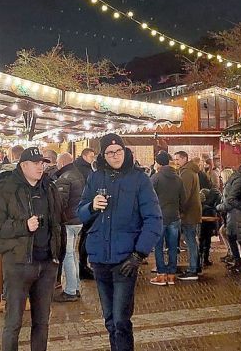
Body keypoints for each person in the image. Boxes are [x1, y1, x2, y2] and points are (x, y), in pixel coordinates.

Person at [77, 134, 162, 351]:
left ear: (125, 152)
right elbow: (81, 213)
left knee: (121, 321)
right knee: (109, 319)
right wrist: (91, 206)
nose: (115, 156)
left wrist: (138, 254)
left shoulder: (139, 179)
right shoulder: (95, 178)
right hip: (99, 258)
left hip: (125, 258)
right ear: (103, 156)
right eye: (110, 152)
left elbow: (154, 219)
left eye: (119, 151)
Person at [0, 148, 62, 351]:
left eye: (42, 163)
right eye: (36, 163)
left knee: (42, 322)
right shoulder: (6, 189)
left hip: (46, 264)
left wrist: (57, 255)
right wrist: (23, 226)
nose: (41, 166)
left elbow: (57, 223)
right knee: (13, 322)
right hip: (19, 264)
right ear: (23, 166)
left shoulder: (49, 188)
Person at [149, 150, 186, 286]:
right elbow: (183, 199)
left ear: (158, 163)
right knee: (172, 247)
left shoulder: (155, 178)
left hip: (159, 218)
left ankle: (161, 275)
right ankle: (171, 275)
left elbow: (149, 198)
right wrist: (179, 212)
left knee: (158, 246)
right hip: (175, 217)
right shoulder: (178, 178)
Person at [53, 151, 85, 301]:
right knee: (72, 254)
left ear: (62, 163)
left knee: (68, 255)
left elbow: (60, 203)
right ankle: (75, 287)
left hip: (68, 222)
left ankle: (71, 290)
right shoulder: (77, 174)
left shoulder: (64, 178)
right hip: (78, 219)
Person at [172, 151, 203, 281]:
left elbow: (184, 194)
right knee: (192, 241)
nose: (176, 162)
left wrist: (180, 209)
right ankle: (196, 266)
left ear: (185, 158)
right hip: (194, 210)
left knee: (190, 241)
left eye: (178, 159)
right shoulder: (192, 171)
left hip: (189, 212)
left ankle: (192, 270)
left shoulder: (186, 173)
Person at [218, 160, 241, 272]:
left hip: (235, 216)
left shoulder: (233, 183)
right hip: (238, 215)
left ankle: (239, 262)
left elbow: (229, 201)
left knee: (236, 239)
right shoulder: (240, 180)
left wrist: (218, 207)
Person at [73, 148, 97, 280]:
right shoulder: (86, 170)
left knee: (83, 239)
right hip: (86, 208)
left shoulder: (77, 167)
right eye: (91, 156)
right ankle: (83, 266)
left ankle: (83, 265)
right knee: (85, 239)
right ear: (84, 156)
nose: (92, 159)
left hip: (82, 208)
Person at [197, 173, 221, 269]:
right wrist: (215, 230)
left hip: (200, 228)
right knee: (207, 243)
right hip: (208, 229)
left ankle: (199, 260)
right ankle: (206, 259)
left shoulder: (197, 208)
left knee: (200, 244)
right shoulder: (210, 209)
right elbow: (214, 221)